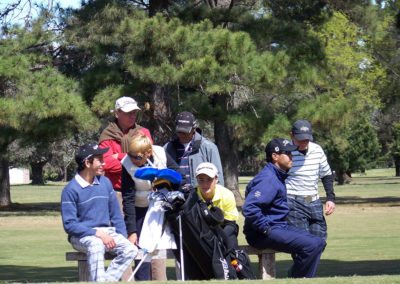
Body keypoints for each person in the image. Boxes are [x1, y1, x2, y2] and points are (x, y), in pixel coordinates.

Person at [242, 138, 326, 278]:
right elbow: (249, 208)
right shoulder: (269, 179)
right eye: (288, 153)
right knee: (312, 246)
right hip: (262, 233)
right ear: (275, 156)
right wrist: (265, 228)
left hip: (277, 226)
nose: (292, 157)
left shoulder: (277, 175)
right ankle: (299, 279)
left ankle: (296, 277)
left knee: (319, 243)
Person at [61, 143, 137, 282]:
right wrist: (98, 234)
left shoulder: (106, 183)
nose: (104, 163)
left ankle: (104, 282)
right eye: (100, 160)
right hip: (82, 235)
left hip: (107, 232)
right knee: (96, 245)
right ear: (87, 163)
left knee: (130, 249)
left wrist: (122, 237)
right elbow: (69, 225)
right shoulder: (70, 189)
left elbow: (116, 216)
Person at [121, 133, 177, 281]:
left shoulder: (161, 154)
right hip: (140, 209)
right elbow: (127, 198)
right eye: (130, 155)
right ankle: (142, 280)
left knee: (159, 249)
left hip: (162, 207)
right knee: (141, 248)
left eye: (137, 157)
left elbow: (177, 176)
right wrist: (132, 230)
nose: (133, 160)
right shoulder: (126, 164)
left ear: (149, 153)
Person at [286, 119, 336, 239]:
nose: (304, 142)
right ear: (291, 135)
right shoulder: (285, 152)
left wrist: (330, 198)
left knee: (320, 240)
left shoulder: (317, 150)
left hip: (312, 200)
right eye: (300, 139)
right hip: (293, 201)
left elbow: (326, 175)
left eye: (307, 139)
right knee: (302, 242)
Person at [99, 96, 152, 195]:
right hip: (115, 191)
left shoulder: (143, 133)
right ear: (117, 113)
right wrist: (132, 159)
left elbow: (145, 159)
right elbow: (106, 163)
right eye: (128, 113)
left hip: (141, 189)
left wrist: (118, 156)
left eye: (134, 112)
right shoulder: (107, 135)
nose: (132, 116)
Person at [164, 111, 224, 189]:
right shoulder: (167, 148)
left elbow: (218, 177)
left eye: (185, 132)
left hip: (201, 196)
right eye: (179, 131)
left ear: (194, 129)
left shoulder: (209, 148)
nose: (182, 135)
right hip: (174, 196)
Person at [194, 162, 239, 251]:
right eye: (201, 180)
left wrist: (219, 239)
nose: (205, 184)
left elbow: (230, 224)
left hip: (222, 230)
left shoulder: (227, 195)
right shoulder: (192, 197)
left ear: (216, 179)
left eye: (209, 179)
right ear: (196, 180)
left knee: (230, 240)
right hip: (199, 232)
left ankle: (234, 261)